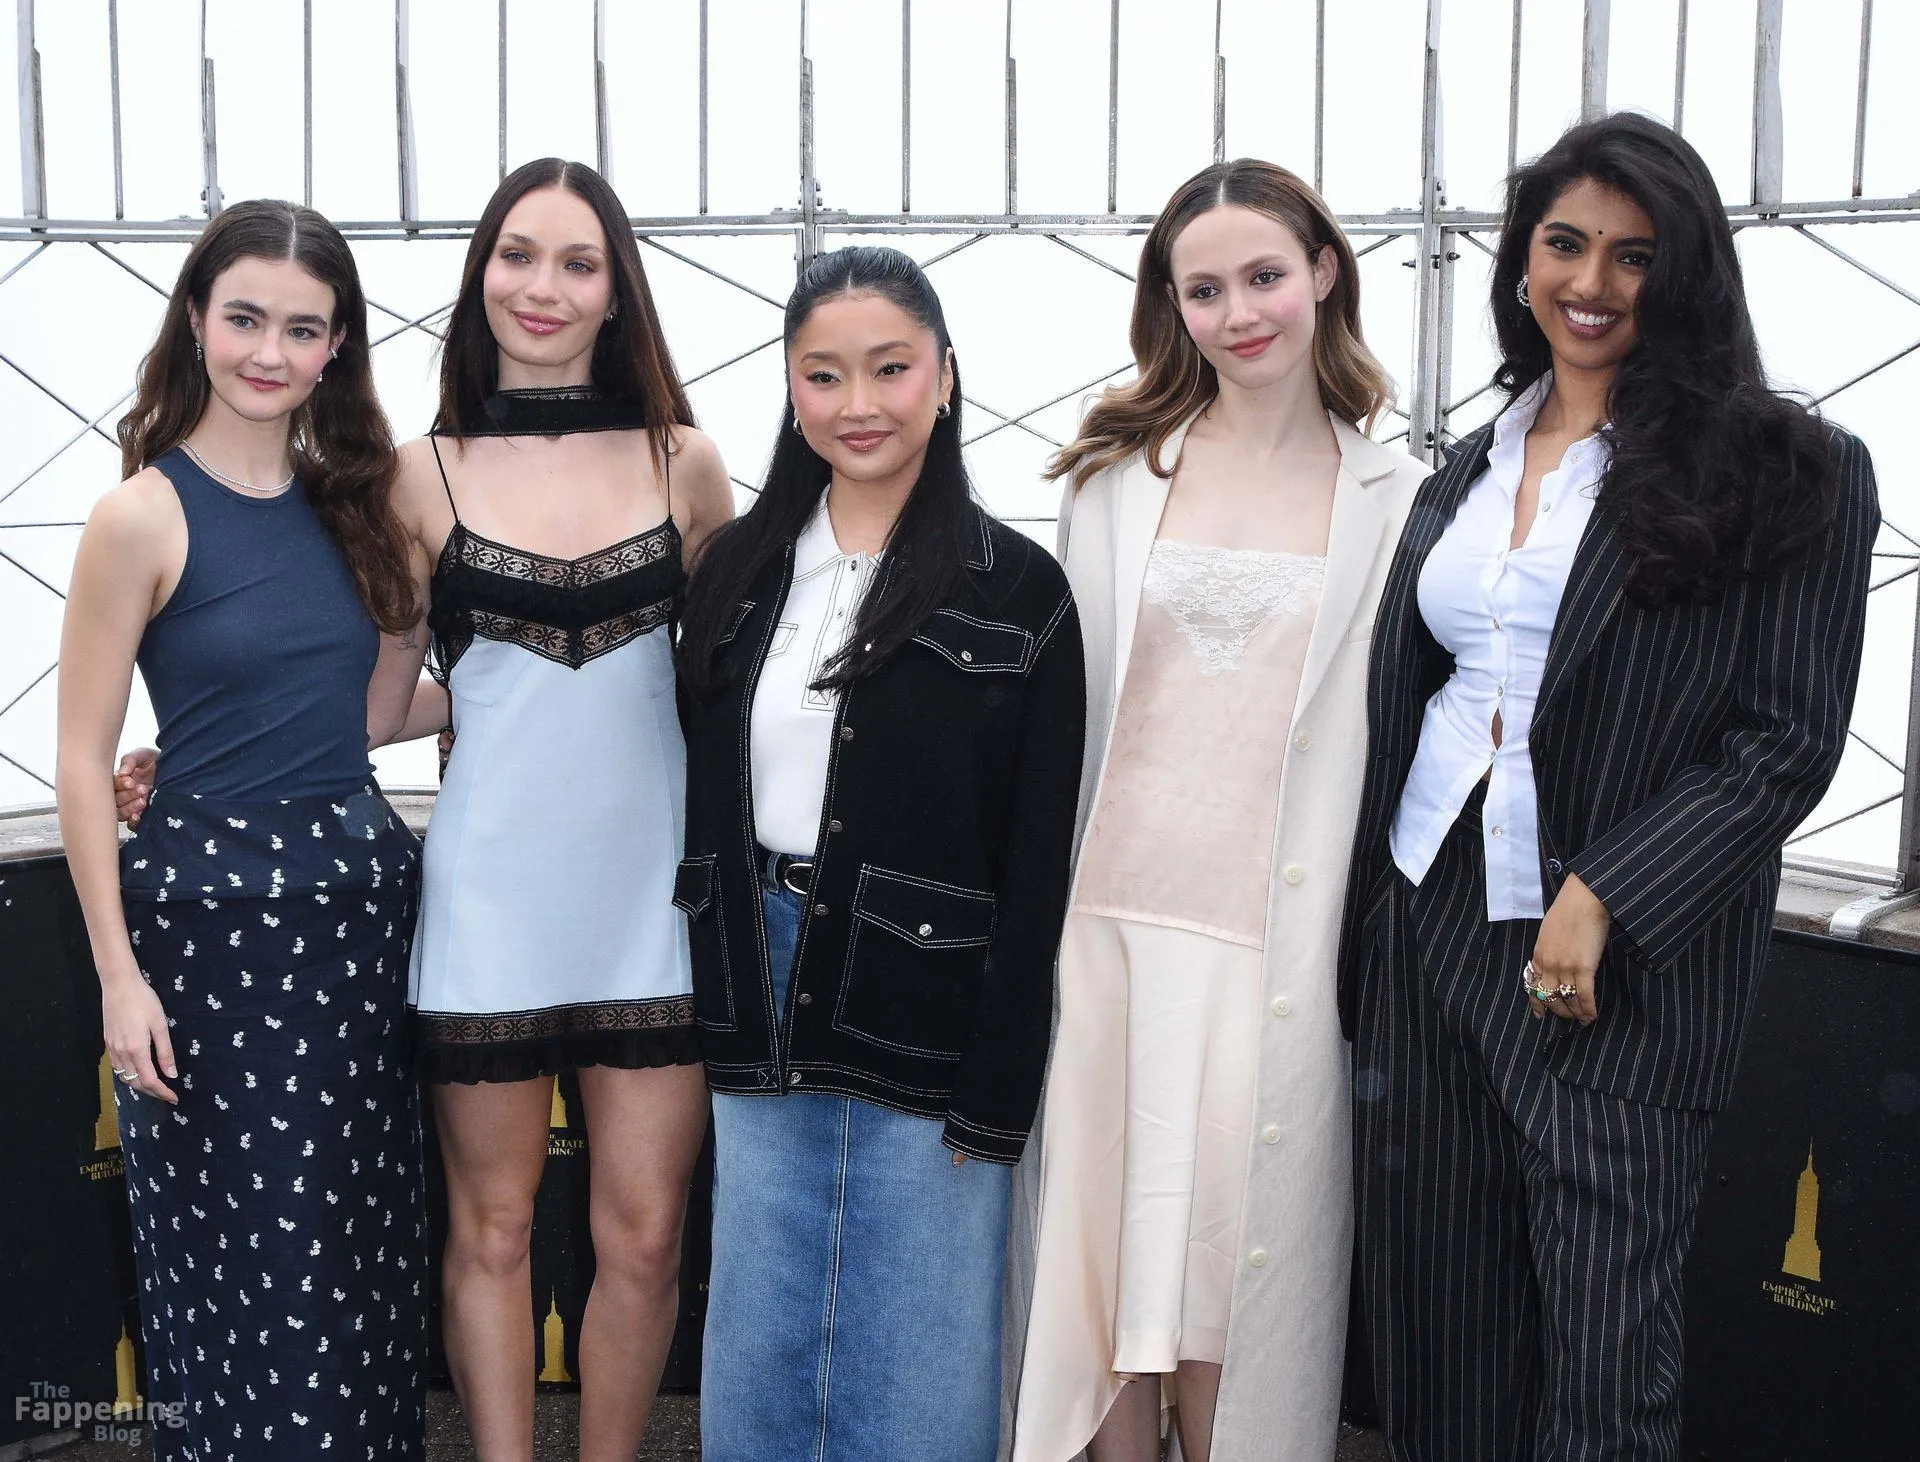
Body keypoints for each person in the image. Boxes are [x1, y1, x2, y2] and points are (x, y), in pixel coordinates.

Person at [1338, 113, 1879, 1461]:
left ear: (1685, 270)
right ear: (1522, 257)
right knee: (1444, 1334)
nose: (1591, 282)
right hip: (1428, 919)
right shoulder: (1465, 463)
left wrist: (1608, 892)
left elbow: (1785, 739)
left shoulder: (1794, 466)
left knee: (1604, 1358)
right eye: (1564, 243)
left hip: (1616, 965)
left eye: (1634, 255)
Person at [1010, 160, 1430, 1462]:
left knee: (1231, 1304)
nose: (1239, 313)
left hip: (1274, 952)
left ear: (1325, 272)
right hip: (1108, 935)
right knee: (1099, 1293)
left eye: (1263, 276)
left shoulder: (1402, 499)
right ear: (1171, 305)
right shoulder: (1111, 478)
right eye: (1204, 289)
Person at [674, 245, 1085, 1462]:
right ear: (791, 389)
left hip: (931, 1005)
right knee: (761, 1346)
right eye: (824, 374)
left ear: (945, 376)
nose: (858, 403)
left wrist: (999, 1091)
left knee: (917, 1359)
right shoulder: (736, 571)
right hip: (756, 981)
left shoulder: (1021, 591)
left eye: (891, 368)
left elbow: (1038, 858)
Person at [57, 200, 429, 1461]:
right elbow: (79, 756)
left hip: (359, 929)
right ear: (197, 320)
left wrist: (535, 694)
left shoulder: (358, 506)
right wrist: (118, 979)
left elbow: (365, 711)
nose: (272, 351)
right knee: (247, 1270)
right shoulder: (139, 517)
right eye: (247, 319)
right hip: (210, 946)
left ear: (338, 346)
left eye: (303, 328)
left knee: (358, 1261)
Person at [388, 159, 731, 1460]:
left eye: (579, 261)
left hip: (654, 903)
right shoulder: (416, 473)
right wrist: (181, 754)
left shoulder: (686, 461)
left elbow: (731, 681)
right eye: (519, 254)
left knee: (644, 1236)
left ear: (616, 289)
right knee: (491, 1230)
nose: (545, 286)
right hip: (488, 903)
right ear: (481, 273)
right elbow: (378, 701)